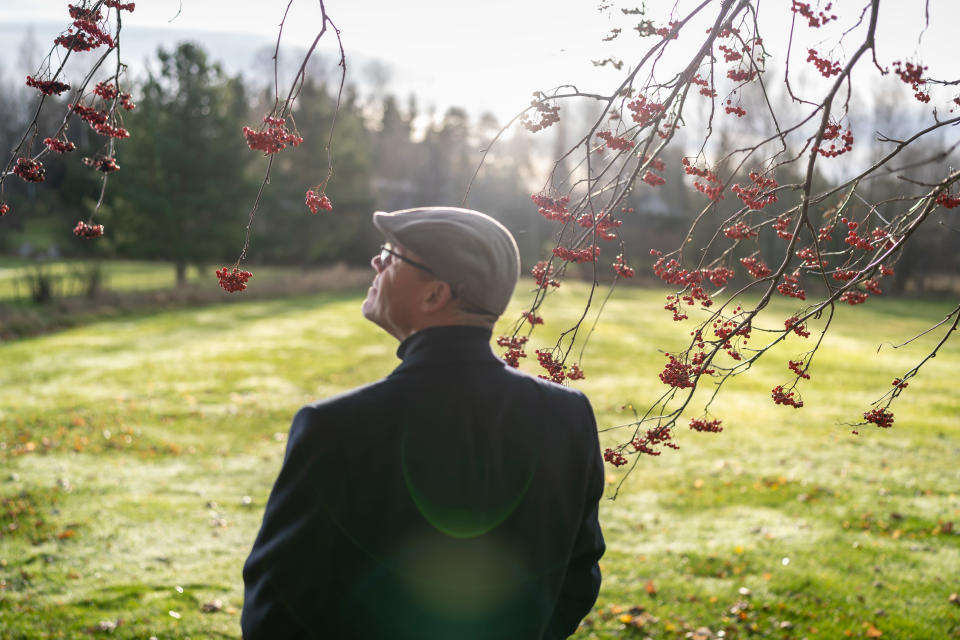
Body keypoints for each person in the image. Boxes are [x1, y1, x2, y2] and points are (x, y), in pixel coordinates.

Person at [242, 207, 605, 640]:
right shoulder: (566, 415)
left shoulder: (336, 429)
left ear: (435, 295)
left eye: (393, 255)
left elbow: (276, 611)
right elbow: (577, 578)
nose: (377, 262)